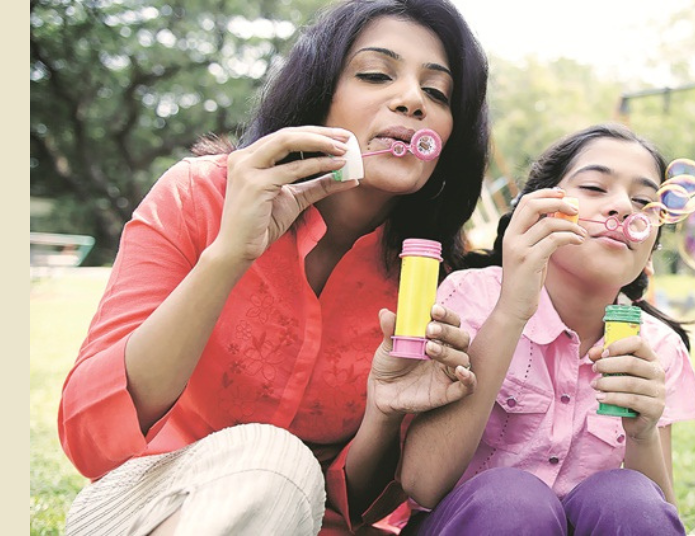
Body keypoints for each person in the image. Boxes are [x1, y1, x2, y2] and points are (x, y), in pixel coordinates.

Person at [57, 1, 490, 534]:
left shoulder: (434, 275)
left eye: (437, 93)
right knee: (277, 462)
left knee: (287, 475)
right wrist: (228, 255)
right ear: (317, 93)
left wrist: (383, 412)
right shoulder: (200, 195)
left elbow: (356, 508)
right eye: (376, 74)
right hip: (149, 506)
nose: (411, 100)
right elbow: (89, 434)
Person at [397, 124, 695, 535]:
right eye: (595, 187)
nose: (623, 208)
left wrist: (644, 433)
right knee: (513, 500)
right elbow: (422, 486)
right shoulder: (472, 298)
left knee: (628, 497)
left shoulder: (658, 347)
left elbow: (656, 515)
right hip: (478, 524)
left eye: (644, 200)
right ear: (536, 208)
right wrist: (510, 312)